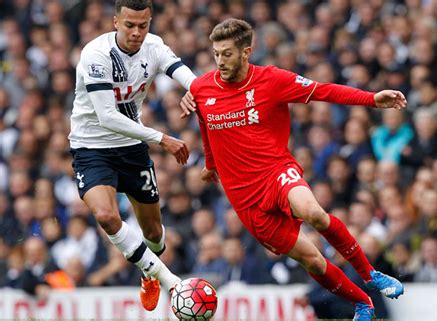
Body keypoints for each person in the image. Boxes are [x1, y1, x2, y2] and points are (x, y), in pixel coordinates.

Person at [184, 18, 405, 321]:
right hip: (243, 196)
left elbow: (323, 90)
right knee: (312, 260)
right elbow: (206, 127)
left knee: (313, 212)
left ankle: (370, 274)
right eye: (216, 53)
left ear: (246, 52)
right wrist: (210, 165)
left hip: (275, 171)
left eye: (227, 54)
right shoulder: (200, 87)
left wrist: (371, 99)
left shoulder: (272, 80)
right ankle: (363, 303)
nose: (220, 61)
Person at [68, 0, 196, 311]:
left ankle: (148, 270)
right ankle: (169, 280)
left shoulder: (154, 46)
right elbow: (107, 117)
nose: (137, 32)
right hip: (92, 147)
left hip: (131, 148)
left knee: (154, 233)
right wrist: (162, 139)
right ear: (115, 21)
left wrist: (196, 90)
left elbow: (184, 74)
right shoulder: (95, 55)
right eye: (130, 25)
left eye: (143, 25)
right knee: (107, 216)